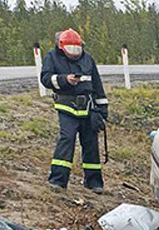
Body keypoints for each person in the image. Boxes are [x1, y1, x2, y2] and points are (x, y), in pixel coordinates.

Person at [41, 28, 108, 193]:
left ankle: (94, 183)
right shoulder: (52, 56)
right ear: (62, 47)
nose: (75, 54)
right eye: (71, 51)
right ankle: (58, 180)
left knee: (91, 144)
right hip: (66, 107)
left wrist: (102, 111)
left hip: (88, 108)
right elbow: (45, 78)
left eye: (77, 50)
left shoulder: (88, 59)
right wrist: (64, 80)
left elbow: (97, 86)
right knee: (67, 139)